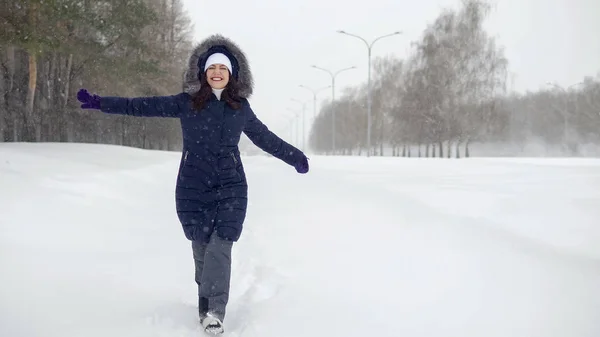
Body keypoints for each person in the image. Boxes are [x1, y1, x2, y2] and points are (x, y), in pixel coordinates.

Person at [76, 34, 309, 335]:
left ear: (232, 74)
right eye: (212, 68)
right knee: (202, 252)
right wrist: (101, 103)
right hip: (192, 186)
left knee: (220, 247)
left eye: (223, 69)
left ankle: (215, 312)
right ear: (202, 72)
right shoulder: (186, 103)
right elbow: (141, 106)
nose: (217, 73)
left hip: (231, 186)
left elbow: (265, 138)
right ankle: (205, 305)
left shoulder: (240, 108)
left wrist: (295, 157)